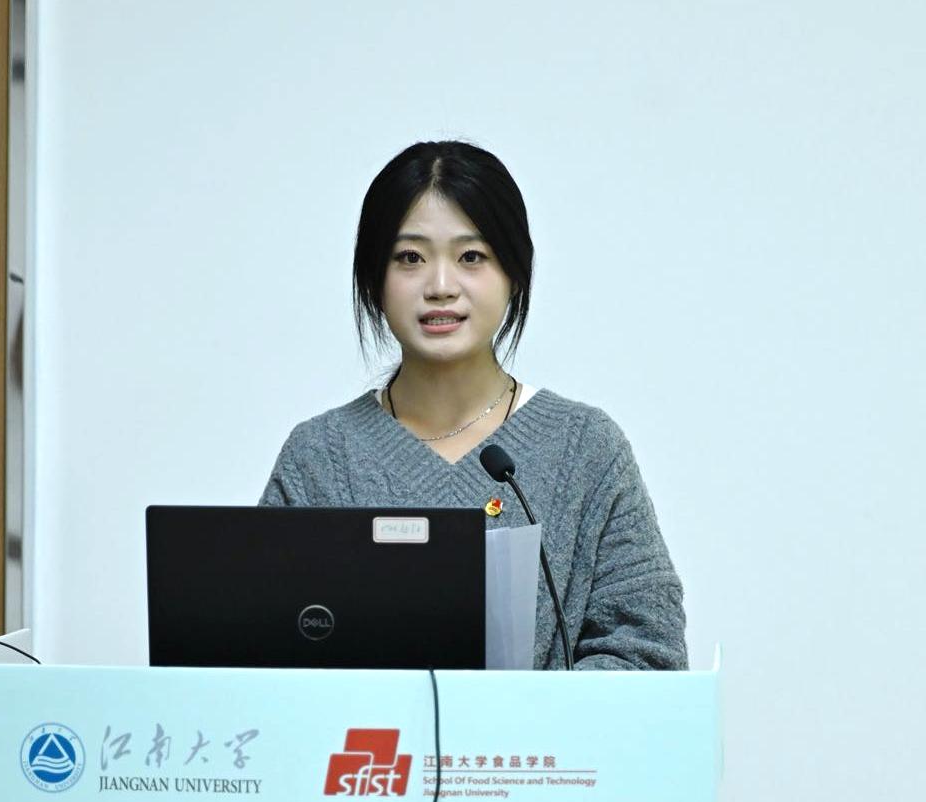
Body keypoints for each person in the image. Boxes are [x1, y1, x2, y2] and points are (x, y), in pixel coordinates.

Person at [259, 140, 686, 672]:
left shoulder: (585, 448)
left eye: (471, 257)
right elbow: (260, 655)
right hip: (362, 733)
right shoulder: (319, 456)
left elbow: (648, 654)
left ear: (514, 273)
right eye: (410, 258)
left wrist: (513, 711)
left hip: (537, 733)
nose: (441, 287)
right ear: (373, 278)